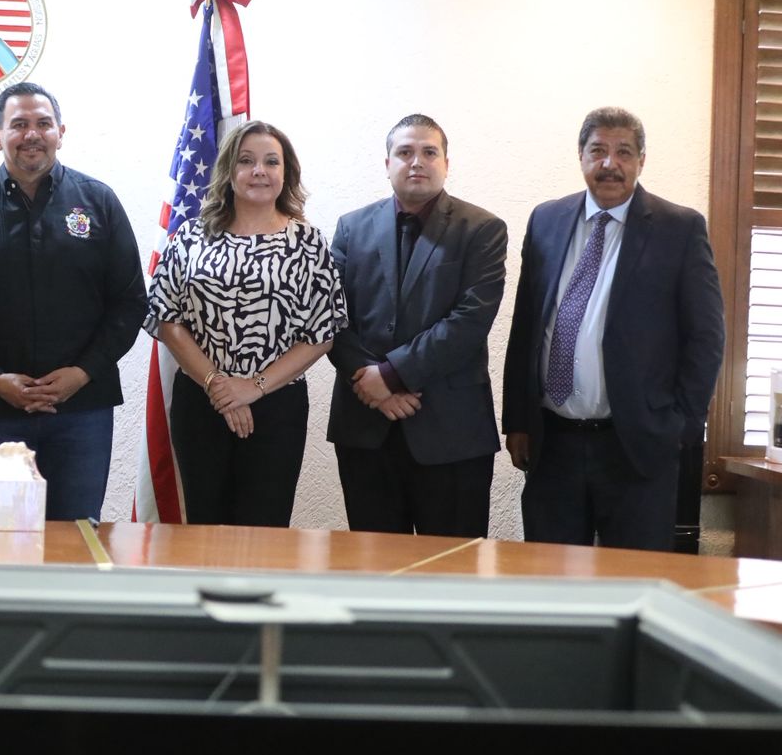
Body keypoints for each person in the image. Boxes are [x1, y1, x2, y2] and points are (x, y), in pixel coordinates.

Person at [503, 107, 724, 551]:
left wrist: (680, 426)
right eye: (598, 150)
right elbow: (526, 324)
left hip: (636, 446)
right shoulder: (546, 220)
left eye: (624, 152)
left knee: (633, 576)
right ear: (580, 156)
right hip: (553, 443)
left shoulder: (679, 229)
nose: (610, 163)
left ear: (642, 160)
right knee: (549, 575)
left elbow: (706, 336)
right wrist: (518, 421)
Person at [0, 82, 146, 521]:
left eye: (43, 123)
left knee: (76, 538)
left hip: (82, 410)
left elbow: (129, 303)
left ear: (61, 132)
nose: (32, 134)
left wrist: (81, 374)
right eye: (19, 124)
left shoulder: (98, 201)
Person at [147, 120, 346, 527]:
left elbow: (321, 335)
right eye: (246, 161)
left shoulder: (308, 243)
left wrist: (252, 388)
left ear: (286, 172)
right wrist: (219, 386)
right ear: (228, 171)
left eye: (271, 162)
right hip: (201, 401)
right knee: (204, 524)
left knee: (265, 528)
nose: (259, 171)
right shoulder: (190, 236)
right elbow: (166, 319)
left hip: (277, 405)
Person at [326, 114, 507, 537]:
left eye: (429, 152)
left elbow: (470, 320)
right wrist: (367, 379)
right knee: (372, 568)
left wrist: (390, 376)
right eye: (405, 152)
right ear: (387, 163)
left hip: (452, 432)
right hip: (365, 429)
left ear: (446, 163)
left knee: (450, 568)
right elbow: (329, 313)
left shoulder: (482, 229)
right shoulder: (351, 228)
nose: (417, 162)